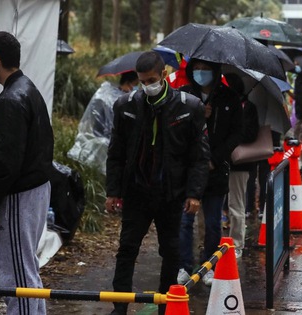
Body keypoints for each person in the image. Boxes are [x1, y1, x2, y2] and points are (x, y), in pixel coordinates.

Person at [105, 51, 210, 315]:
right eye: (142, 81)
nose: (147, 85)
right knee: (127, 249)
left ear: (164, 74)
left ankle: (166, 306)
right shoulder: (126, 106)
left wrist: (194, 194)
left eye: (151, 79)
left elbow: (199, 157)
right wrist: (113, 191)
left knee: (171, 252)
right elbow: (115, 153)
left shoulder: (189, 107)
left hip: (170, 195)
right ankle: (119, 308)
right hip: (136, 193)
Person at [0, 31, 54, 315]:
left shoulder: (11, 99)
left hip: (22, 192)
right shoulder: (28, 89)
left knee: (17, 273)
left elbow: (6, 160)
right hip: (32, 191)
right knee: (26, 266)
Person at [178, 59, 243, 286]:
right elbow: (175, 128)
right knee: (185, 220)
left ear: (215, 71)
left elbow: (236, 133)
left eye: (206, 69)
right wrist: (198, 116)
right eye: (197, 69)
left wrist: (216, 159)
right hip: (189, 170)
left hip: (216, 171)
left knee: (214, 222)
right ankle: (184, 266)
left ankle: (209, 266)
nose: (201, 73)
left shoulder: (230, 98)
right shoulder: (184, 95)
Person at [67, 71, 139, 174]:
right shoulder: (110, 96)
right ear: (128, 83)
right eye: (135, 84)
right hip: (103, 141)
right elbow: (100, 120)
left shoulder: (123, 98)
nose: (136, 88)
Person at [223, 73, 259, 259]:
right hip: (223, 160)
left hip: (240, 164)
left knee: (236, 205)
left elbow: (250, 134)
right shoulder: (221, 106)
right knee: (227, 204)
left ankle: (237, 244)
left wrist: (232, 132)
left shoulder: (248, 108)